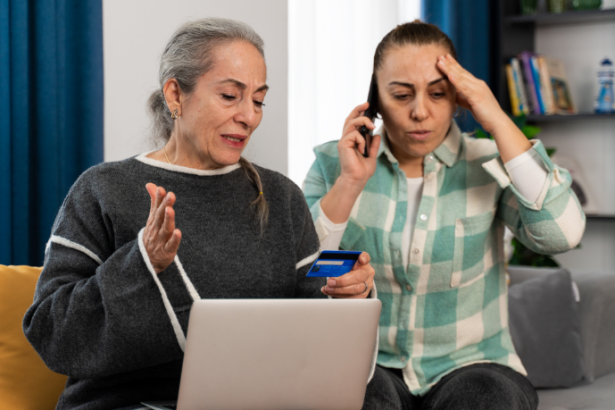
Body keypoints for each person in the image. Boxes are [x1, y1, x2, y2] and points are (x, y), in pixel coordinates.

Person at [23, 18, 376, 410]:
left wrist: (349, 295)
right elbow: (51, 332)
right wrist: (141, 264)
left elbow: (316, 329)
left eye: (258, 101)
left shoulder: (281, 197)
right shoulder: (102, 189)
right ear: (175, 94)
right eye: (230, 96)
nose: (249, 116)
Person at [303, 21, 585, 410]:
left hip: (474, 364)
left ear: (458, 98)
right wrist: (350, 182)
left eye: (437, 94)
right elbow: (301, 270)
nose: (420, 112)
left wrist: (496, 119)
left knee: (486, 398)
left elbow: (563, 234)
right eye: (401, 95)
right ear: (375, 101)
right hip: (370, 361)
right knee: (355, 397)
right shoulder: (333, 163)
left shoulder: (491, 163)